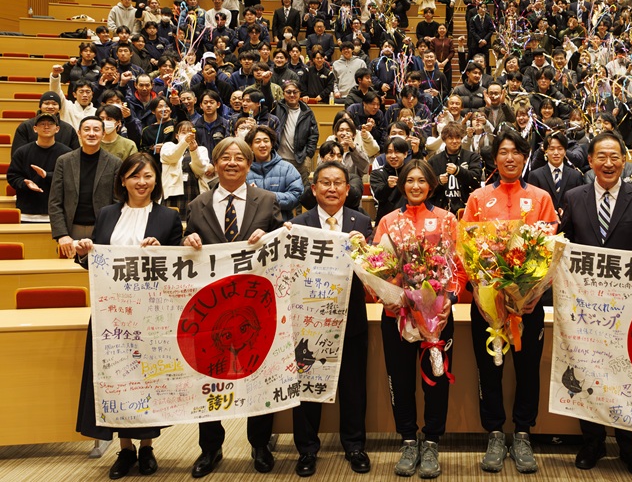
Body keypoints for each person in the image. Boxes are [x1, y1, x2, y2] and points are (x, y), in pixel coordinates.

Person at [73, 152, 183, 479]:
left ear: (156, 180)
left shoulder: (168, 217)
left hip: (149, 314)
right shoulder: (107, 214)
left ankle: (146, 447)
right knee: (116, 376)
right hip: (111, 314)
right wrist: (84, 253)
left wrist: (161, 253)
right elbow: (96, 261)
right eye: (134, 175)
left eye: (148, 176)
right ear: (123, 180)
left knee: (147, 378)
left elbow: (179, 267)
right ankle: (125, 449)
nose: (141, 182)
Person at [182, 137, 283, 478]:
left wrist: (268, 239)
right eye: (225, 157)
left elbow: (282, 242)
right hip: (210, 309)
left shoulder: (267, 201)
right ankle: (210, 448)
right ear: (215, 164)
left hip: (255, 309)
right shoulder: (197, 204)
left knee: (258, 374)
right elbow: (185, 246)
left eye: (239, 157)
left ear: (249, 164)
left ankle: (260, 443)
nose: (232, 162)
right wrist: (187, 240)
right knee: (208, 376)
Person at [560, 132, 632, 478]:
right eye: (601, 156)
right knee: (587, 371)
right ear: (590, 161)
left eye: (615, 156)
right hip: (585, 309)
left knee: (627, 376)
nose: (608, 163)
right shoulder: (574, 197)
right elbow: (565, 246)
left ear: (624, 160)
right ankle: (593, 442)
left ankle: (630, 447)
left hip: (629, 309)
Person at [462, 130, 558, 474]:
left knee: (527, 370)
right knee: (488, 369)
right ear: (495, 158)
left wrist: (534, 294)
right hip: (487, 306)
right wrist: (479, 291)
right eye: (503, 152)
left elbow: (550, 251)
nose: (510, 157)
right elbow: (466, 250)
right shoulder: (478, 198)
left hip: (528, 305)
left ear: (525, 156)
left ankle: (522, 433)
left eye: (517, 151)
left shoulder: (541, 198)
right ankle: (494, 433)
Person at [373, 159, 464, 479]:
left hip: (436, 319)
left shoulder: (447, 220)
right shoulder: (388, 221)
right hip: (396, 317)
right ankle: (409, 441)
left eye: (421, 180)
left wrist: (450, 299)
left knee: (436, 381)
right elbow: (376, 265)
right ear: (402, 184)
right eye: (409, 180)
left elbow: (459, 267)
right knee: (400, 381)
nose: (415, 186)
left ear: (431, 185)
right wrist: (389, 294)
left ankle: (432, 442)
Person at [289, 160, 373, 476]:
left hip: (350, 318)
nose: (332, 188)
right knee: (307, 385)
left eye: (338, 183)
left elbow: (372, 272)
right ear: (314, 189)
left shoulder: (361, 222)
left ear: (348, 189)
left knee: (353, 387)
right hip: (308, 321)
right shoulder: (297, 224)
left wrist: (366, 251)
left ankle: (354, 446)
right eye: (325, 182)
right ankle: (307, 450)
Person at [49, 117, 124, 258]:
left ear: (103, 134)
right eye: (87, 129)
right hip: (71, 229)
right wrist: (62, 234)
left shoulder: (115, 163)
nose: (91, 133)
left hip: (102, 229)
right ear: (79, 133)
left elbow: (117, 202)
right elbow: (55, 201)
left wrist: (110, 232)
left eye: (96, 130)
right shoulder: (64, 161)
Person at [7, 113, 73, 223]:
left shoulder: (67, 153)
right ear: (35, 129)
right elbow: (12, 176)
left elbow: (71, 179)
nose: (46, 127)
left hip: (58, 214)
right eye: (42, 124)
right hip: (26, 213)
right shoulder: (22, 152)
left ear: (57, 129)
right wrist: (25, 183)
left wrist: (47, 175)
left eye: (50, 124)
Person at [245, 125, 304, 221]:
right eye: (257, 141)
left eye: (266, 141)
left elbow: (296, 196)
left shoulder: (287, 168)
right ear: (250, 146)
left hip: (281, 223)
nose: (262, 145)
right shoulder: (244, 170)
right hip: (252, 224)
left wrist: (265, 196)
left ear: (272, 144)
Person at [427, 121, 482, 215]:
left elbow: (476, 180)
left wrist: (458, 171)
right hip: (441, 210)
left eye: (457, 137)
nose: (454, 141)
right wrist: (438, 181)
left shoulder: (472, 157)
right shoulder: (434, 161)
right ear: (444, 139)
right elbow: (427, 186)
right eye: (450, 138)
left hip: (467, 209)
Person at [527, 130, 586, 217]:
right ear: (545, 151)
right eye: (552, 149)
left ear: (565, 151)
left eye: (560, 149)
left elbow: (579, 203)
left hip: (569, 222)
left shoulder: (576, 175)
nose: (556, 153)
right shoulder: (535, 175)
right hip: (543, 221)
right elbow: (533, 203)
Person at [159, 120, 210, 218]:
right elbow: (172, 157)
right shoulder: (168, 146)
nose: (187, 135)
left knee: (193, 222)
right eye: (183, 132)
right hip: (171, 193)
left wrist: (194, 151)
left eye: (190, 132)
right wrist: (184, 143)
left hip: (194, 191)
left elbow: (199, 170)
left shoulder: (201, 149)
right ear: (177, 136)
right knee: (169, 222)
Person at [11, 92, 79, 153]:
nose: (50, 107)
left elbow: (75, 155)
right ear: (40, 106)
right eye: (46, 103)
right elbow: (17, 154)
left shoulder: (68, 129)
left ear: (59, 107)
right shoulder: (26, 126)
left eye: (54, 104)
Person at [369, 137, 410, 224]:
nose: (393, 156)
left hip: (408, 218)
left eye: (397, 152)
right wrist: (387, 186)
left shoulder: (411, 173)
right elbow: (378, 196)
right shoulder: (377, 173)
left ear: (405, 154)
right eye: (389, 152)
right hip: (386, 219)